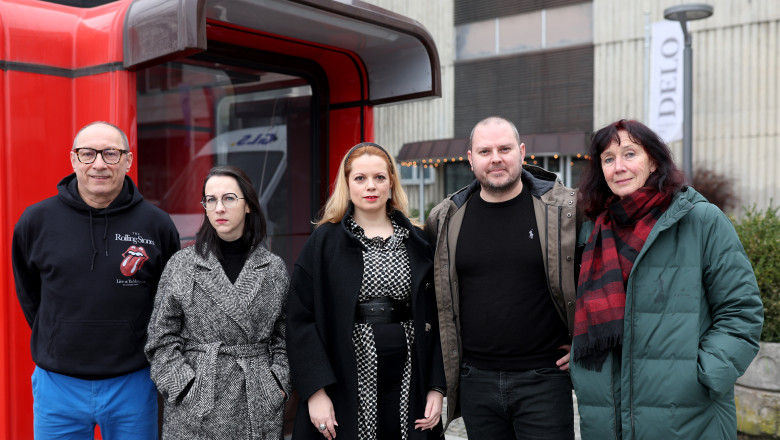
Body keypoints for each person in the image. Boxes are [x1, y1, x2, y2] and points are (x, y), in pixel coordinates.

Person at [570, 119, 764, 439]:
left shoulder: (700, 220)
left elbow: (741, 312)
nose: (619, 167)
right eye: (608, 158)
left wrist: (702, 375)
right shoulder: (593, 229)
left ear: (654, 162)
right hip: (607, 418)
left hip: (688, 417)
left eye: (630, 154)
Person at [11, 121, 181, 439]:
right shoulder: (36, 221)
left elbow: (169, 301)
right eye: (88, 154)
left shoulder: (156, 224)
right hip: (57, 385)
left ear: (128, 160)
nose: (99, 164)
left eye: (110, 153)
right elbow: (29, 292)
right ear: (74, 159)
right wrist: (58, 334)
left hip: (133, 381)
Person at [425, 116, 578, 439]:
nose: (496, 158)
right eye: (485, 151)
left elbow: (594, 282)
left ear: (522, 152)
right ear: (470, 159)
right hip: (476, 381)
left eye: (505, 148)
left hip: (545, 380)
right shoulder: (445, 219)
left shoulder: (562, 212)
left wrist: (585, 340)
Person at [286, 142, 446, 440]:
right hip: (343, 382)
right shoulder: (324, 243)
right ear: (347, 184)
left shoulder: (418, 241)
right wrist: (315, 392)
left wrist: (436, 387)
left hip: (410, 380)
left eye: (379, 177)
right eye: (360, 178)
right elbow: (299, 321)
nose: (370, 186)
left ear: (391, 182)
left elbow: (440, 318)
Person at [145, 165, 291, 439]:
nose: (219, 208)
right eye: (210, 200)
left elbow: (285, 337)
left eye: (229, 198)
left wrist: (277, 383)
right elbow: (160, 339)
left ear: (248, 206)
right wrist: (184, 387)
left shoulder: (272, 268)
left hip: (256, 398)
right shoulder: (183, 265)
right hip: (197, 403)